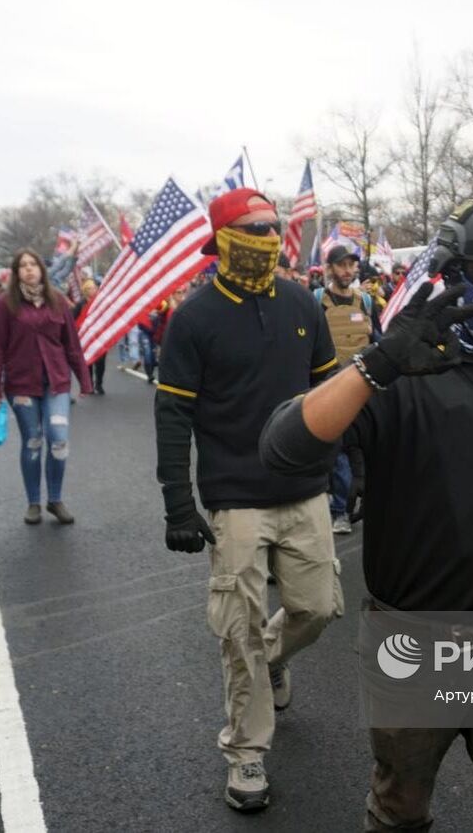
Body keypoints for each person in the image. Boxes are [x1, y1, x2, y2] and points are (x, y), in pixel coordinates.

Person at [261, 197, 473, 832]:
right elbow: (283, 449)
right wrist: (379, 363)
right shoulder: (401, 371)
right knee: (400, 808)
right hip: (410, 642)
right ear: (451, 276)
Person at [154, 187, 341, 813]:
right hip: (235, 496)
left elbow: (329, 393)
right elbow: (173, 410)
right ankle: (247, 753)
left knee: (316, 609)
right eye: (254, 228)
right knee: (237, 628)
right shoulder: (194, 317)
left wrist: (354, 464)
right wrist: (178, 502)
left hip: (305, 487)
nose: (267, 237)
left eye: (273, 226)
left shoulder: (300, 302)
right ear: (224, 238)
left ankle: (273, 660)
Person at [0, 249, 92, 525]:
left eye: (34, 264)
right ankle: (33, 502)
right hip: (21, 385)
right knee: (33, 441)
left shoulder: (58, 301)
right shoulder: (5, 305)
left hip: (56, 383)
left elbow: (72, 344)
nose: (29, 269)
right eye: (23, 266)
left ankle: (55, 499)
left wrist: (85, 379)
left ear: (42, 270)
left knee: (58, 438)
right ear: (16, 272)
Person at [315, 244, 381, 534]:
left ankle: (371, 502)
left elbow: (380, 340)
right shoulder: (317, 300)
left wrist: (372, 335)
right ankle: (339, 509)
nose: (347, 270)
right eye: (341, 265)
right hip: (330, 386)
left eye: (351, 265)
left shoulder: (365, 301)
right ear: (330, 268)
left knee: (369, 448)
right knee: (337, 449)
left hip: (365, 386)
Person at [71, 280, 105, 394]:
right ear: (85, 291)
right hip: (86, 336)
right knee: (88, 361)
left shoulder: (100, 303)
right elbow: (73, 319)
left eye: (94, 288)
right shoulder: (80, 304)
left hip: (99, 335)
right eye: (90, 288)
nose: (93, 290)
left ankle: (99, 383)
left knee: (101, 362)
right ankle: (89, 383)